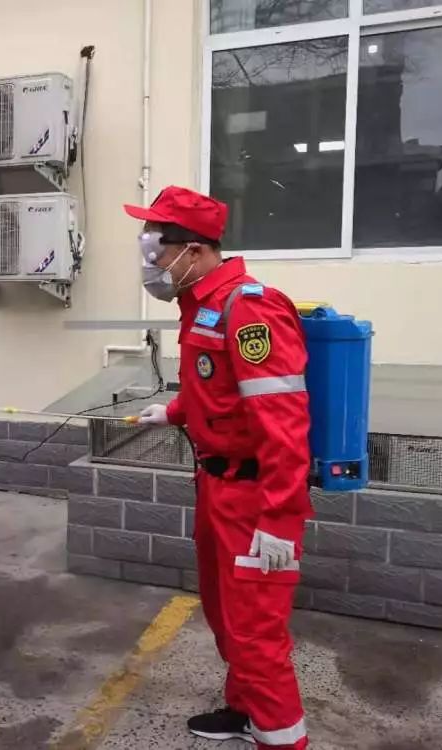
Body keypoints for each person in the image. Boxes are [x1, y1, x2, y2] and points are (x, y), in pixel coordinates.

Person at [125, 186, 312, 750]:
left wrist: (279, 520)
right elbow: (219, 389)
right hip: (217, 486)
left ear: (194, 250)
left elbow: (283, 425)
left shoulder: (249, 308)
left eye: (155, 248)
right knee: (227, 615)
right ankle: (248, 711)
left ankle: (282, 740)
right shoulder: (201, 305)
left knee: (256, 632)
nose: (150, 261)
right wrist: (175, 411)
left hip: (255, 497)